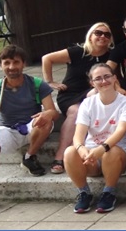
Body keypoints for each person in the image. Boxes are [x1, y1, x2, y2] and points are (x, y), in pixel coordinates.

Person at [0, 45, 58, 217]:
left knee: (43, 121)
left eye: (16, 62)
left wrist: (46, 114)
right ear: (1, 65)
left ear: (23, 64)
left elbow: (53, 111)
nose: (11, 67)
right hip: (8, 129)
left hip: (33, 125)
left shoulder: (37, 84)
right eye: (6, 62)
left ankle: (30, 157)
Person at [42, 22, 114, 175]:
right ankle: (60, 156)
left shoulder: (110, 55)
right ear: (90, 35)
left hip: (93, 94)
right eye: (98, 33)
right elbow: (47, 58)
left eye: (107, 34)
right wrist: (50, 81)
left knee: (95, 93)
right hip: (70, 95)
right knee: (75, 111)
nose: (102, 36)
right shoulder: (77, 51)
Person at [64, 63, 126, 214]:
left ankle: (109, 192)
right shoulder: (87, 103)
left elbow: (121, 130)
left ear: (115, 78)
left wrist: (101, 149)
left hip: (116, 154)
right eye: (98, 79)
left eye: (107, 76)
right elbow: (78, 134)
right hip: (91, 157)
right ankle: (84, 193)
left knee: (111, 151)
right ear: (92, 83)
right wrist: (81, 149)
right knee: (70, 152)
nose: (104, 81)